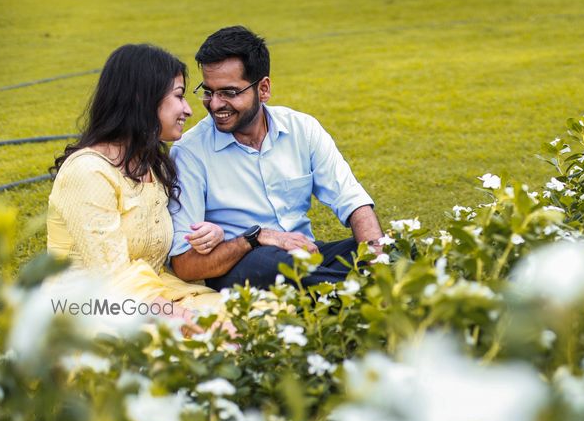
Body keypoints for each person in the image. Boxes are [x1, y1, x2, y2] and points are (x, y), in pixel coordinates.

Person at [168, 26, 385, 291]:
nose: (215, 104)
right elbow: (184, 265)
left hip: (307, 259)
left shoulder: (302, 129)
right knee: (271, 265)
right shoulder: (189, 152)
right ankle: (360, 292)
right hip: (243, 263)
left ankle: (353, 288)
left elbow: (354, 202)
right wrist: (257, 238)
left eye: (229, 93)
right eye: (209, 92)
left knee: (388, 247)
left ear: (264, 88)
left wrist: (377, 258)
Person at [47, 44, 227, 331]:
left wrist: (214, 234)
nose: (189, 110)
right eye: (179, 96)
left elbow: (163, 253)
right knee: (202, 338)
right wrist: (186, 319)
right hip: (92, 307)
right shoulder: (88, 173)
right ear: (143, 98)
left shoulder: (152, 165)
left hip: (154, 294)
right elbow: (114, 278)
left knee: (250, 316)